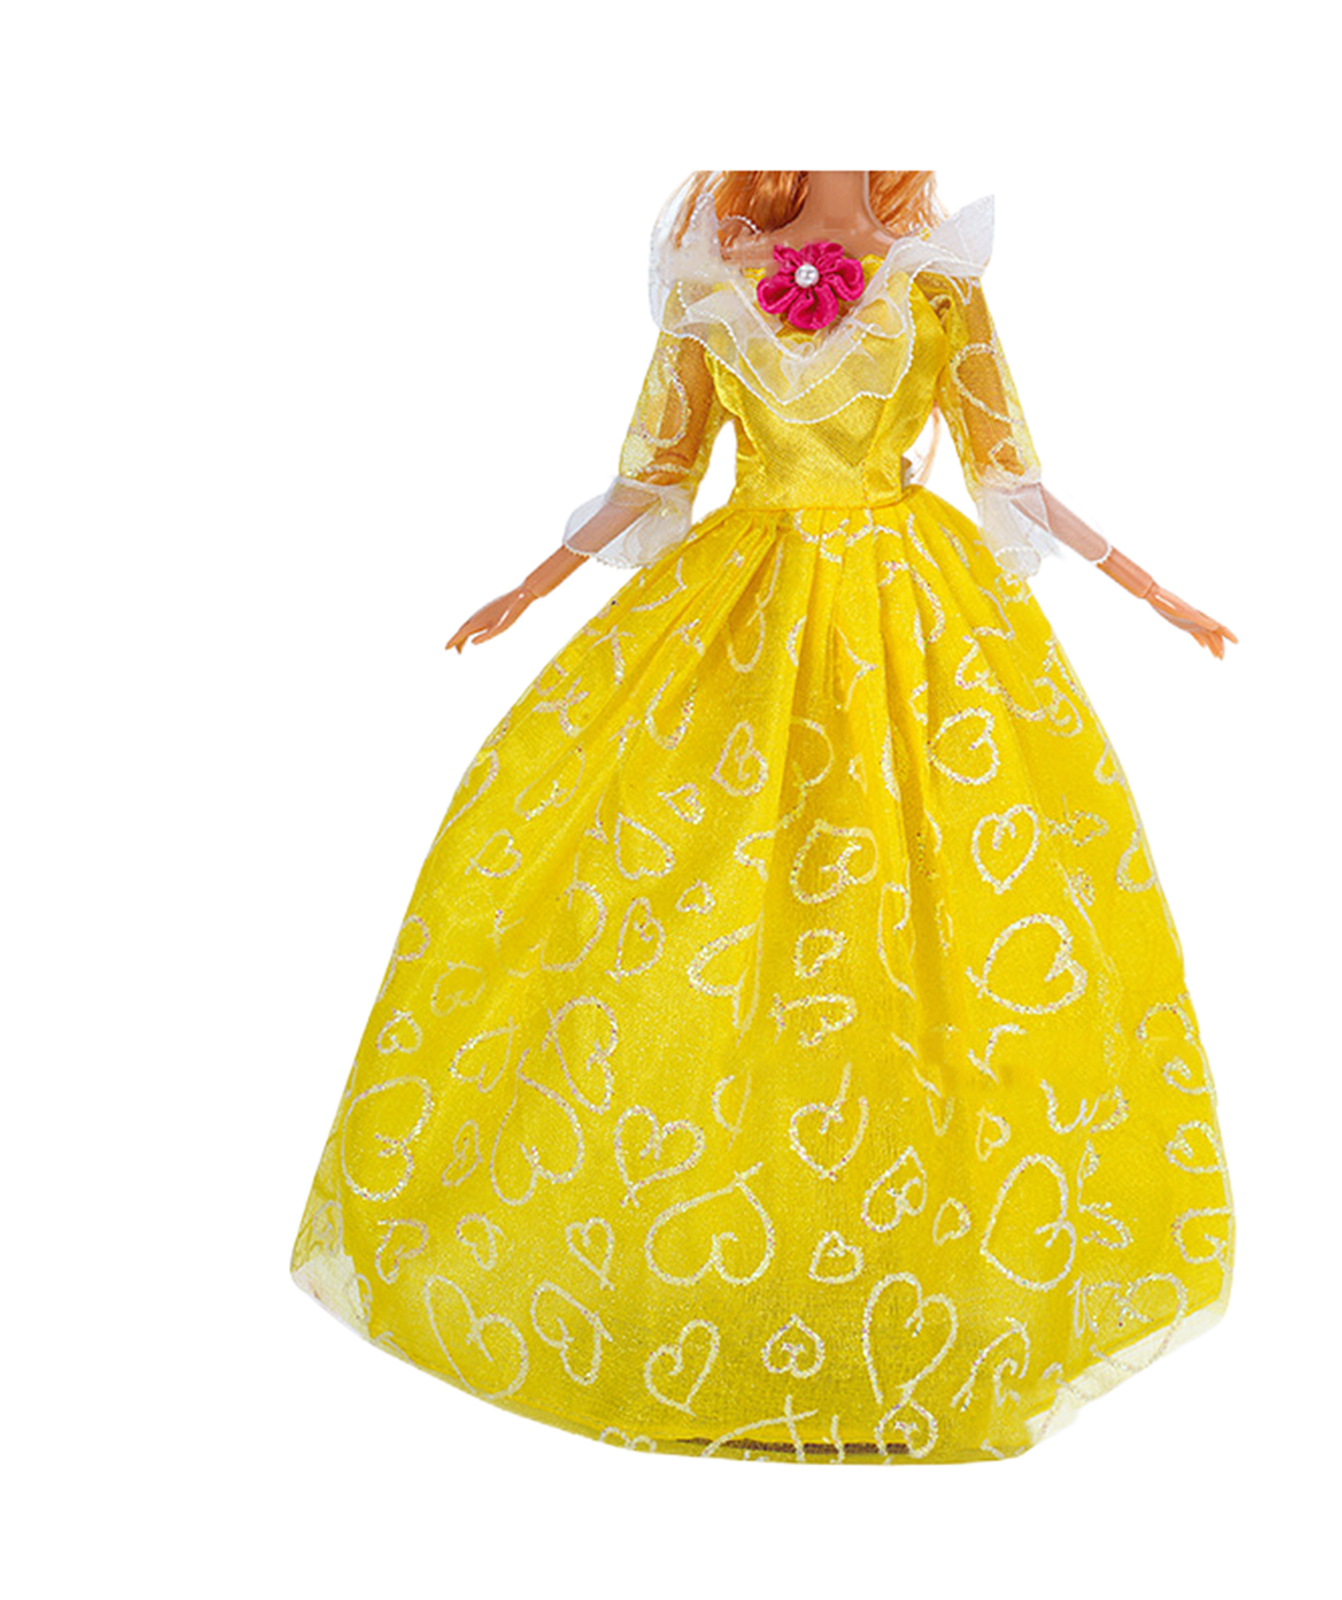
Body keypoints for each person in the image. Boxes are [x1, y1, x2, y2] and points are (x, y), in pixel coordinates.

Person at [290, 168, 1237, 1463]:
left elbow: (1010, 476)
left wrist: (1161, 596)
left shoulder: (938, 279)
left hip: (912, 640)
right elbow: (651, 476)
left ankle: (913, 1284)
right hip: (742, 630)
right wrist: (527, 588)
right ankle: (705, 1266)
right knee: (696, 922)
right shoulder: (714, 279)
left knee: (921, 942)